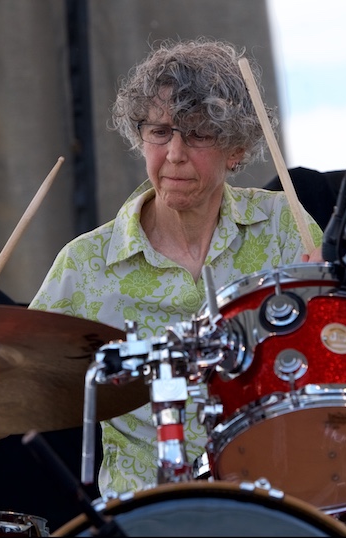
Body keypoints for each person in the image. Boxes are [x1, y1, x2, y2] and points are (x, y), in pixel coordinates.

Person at [29, 37, 324, 497]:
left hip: (276, 499)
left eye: (200, 134)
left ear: (237, 148)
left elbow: (330, 362)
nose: (175, 154)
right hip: (143, 514)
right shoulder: (84, 264)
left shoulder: (285, 227)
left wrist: (322, 301)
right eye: (160, 132)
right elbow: (19, 378)